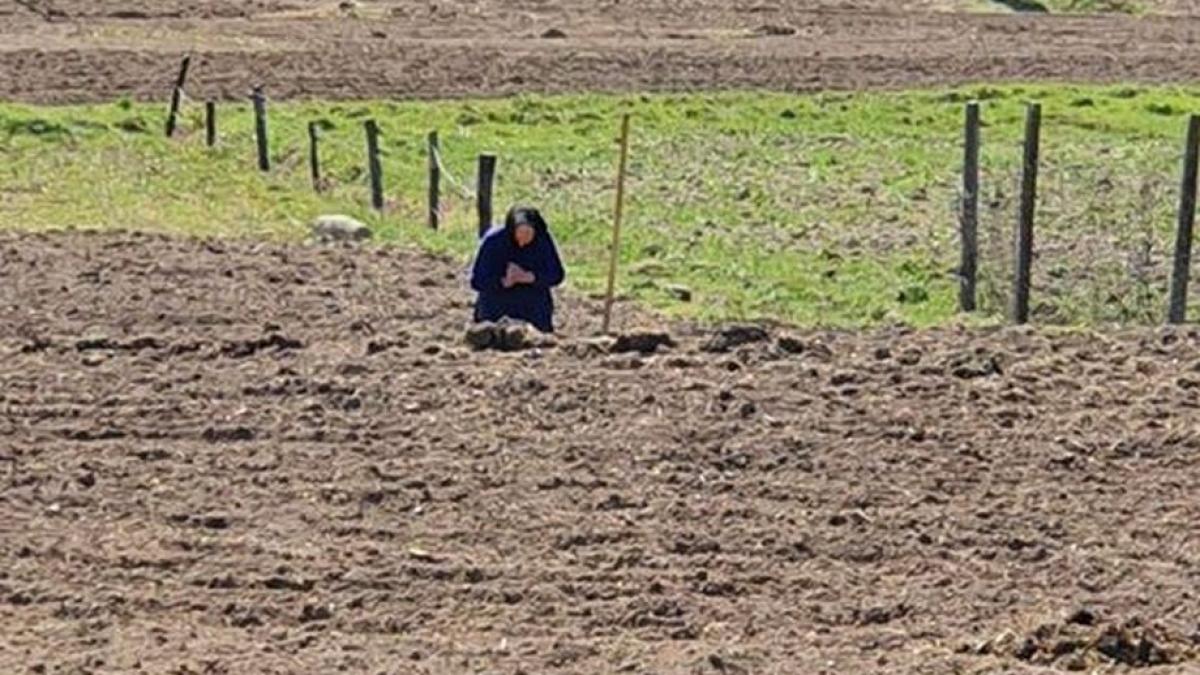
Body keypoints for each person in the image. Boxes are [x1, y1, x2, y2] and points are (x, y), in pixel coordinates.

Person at [470, 205, 565, 333]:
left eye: (527, 235)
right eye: (519, 235)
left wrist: (529, 277)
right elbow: (477, 281)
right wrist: (503, 281)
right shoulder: (493, 241)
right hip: (496, 309)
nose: (522, 242)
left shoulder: (543, 241)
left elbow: (557, 275)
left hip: (533, 311)